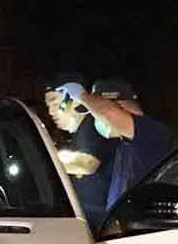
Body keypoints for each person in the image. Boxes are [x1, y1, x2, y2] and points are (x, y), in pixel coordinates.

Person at [55, 78, 173, 211]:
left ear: (119, 107)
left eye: (98, 116)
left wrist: (82, 96)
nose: (97, 121)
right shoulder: (124, 144)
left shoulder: (151, 131)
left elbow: (108, 113)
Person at [44, 76, 121, 230]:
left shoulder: (92, 125)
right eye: (48, 106)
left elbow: (87, 164)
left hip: (99, 221)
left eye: (55, 103)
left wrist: (42, 159)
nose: (50, 112)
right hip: (93, 218)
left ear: (75, 100)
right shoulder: (82, 130)